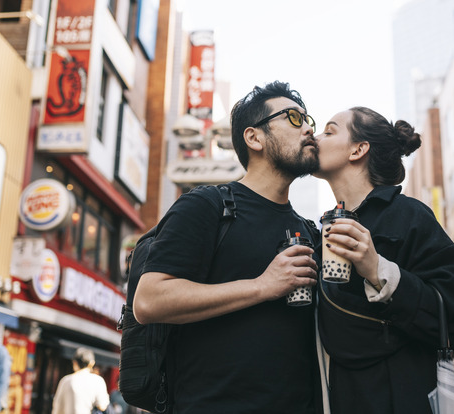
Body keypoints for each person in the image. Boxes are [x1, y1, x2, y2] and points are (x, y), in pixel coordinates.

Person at [133, 81, 322, 413]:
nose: (308, 128)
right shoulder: (208, 206)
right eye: (294, 117)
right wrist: (263, 286)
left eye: (310, 121)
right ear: (254, 137)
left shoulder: (308, 231)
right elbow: (149, 300)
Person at [314, 106, 454, 413]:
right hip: (352, 396)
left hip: (412, 393)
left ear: (359, 149)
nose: (315, 138)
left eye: (329, 131)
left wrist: (378, 270)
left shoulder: (408, 214)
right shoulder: (323, 231)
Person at [51, 347, 110, 414]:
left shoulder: (66, 381)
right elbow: (103, 406)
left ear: (74, 363)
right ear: (92, 363)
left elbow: (57, 409)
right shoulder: (98, 381)